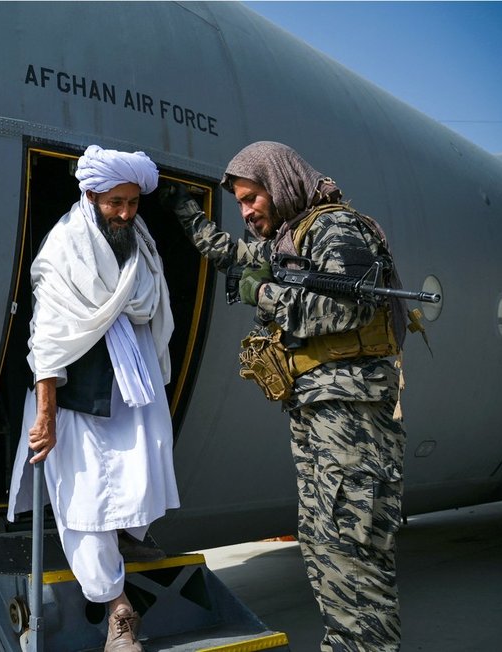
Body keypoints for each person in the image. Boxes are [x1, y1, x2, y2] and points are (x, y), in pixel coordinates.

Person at [168, 141, 407, 651]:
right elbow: (230, 252)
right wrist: (185, 210)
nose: (248, 211)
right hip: (316, 409)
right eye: (240, 203)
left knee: (354, 546)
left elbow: (349, 310)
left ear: (280, 184)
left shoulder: (336, 228)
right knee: (323, 548)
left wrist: (263, 293)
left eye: (253, 198)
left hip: (352, 410)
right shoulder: (288, 240)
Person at [7, 144, 180, 652]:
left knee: (140, 477)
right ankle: (118, 610)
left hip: (135, 388)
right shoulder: (65, 249)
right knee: (86, 502)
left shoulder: (139, 242)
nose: (125, 213)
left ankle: (132, 534)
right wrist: (46, 415)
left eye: (132, 202)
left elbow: (150, 304)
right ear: (90, 195)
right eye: (114, 204)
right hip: (78, 398)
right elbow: (50, 336)